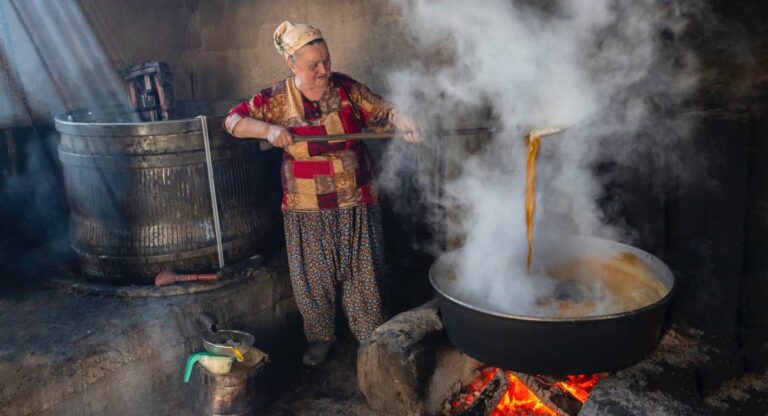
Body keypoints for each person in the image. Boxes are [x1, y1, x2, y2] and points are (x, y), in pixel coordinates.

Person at [224, 21, 419, 366]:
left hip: (356, 197)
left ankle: (370, 339)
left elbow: (382, 111)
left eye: (326, 60)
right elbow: (233, 121)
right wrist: (268, 130)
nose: (323, 69)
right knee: (313, 279)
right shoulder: (275, 99)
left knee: (365, 275)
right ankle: (320, 338)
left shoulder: (346, 88)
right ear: (291, 63)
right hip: (305, 205)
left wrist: (401, 118)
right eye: (314, 64)